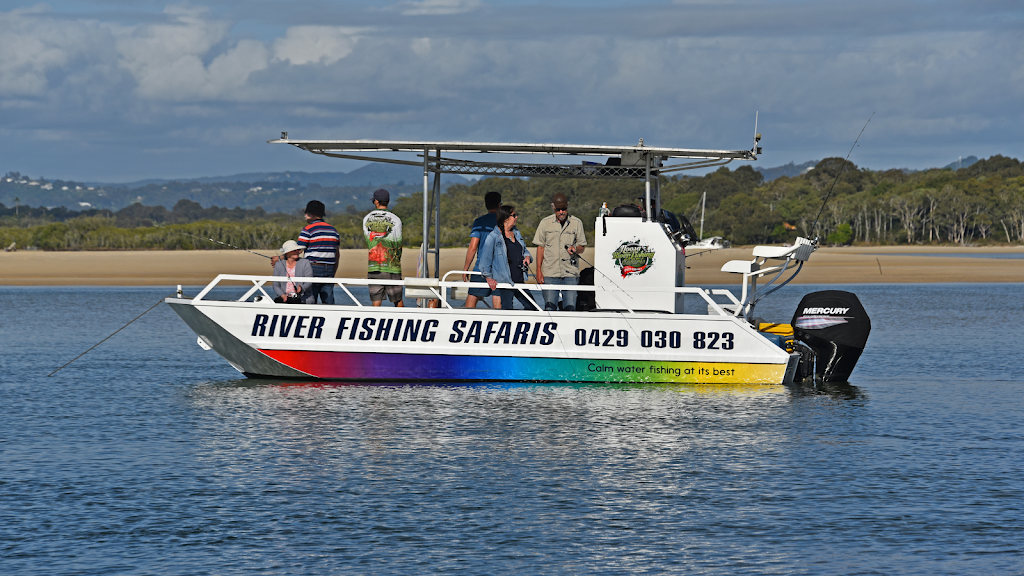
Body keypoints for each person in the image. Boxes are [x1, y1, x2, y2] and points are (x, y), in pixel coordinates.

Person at [533, 192, 587, 311]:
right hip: (550, 274)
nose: (561, 212)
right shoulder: (544, 223)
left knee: (570, 309)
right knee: (550, 309)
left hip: (570, 274)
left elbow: (582, 246)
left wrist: (576, 249)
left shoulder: (577, 223)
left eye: (564, 209)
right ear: (553, 207)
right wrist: (538, 271)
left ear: (568, 206)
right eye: (558, 209)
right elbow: (540, 247)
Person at [479, 204, 536, 311]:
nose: (516, 217)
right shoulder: (493, 236)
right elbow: (484, 260)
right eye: (514, 215)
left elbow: (524, 251)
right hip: (505, 281)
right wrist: (488, 277)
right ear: (505, 219)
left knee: (533, 307)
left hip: (519, 280)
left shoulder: (517, 233)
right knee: (507, 309)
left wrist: (527, 257)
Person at [363, 188, 404, 307]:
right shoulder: (396, 219)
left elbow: (368, 239)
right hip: (392, 265)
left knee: (376, 300)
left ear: (376, 201)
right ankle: (401, 323)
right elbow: (398, 243)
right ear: (388, 201)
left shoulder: (367, 218)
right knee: (397, 299)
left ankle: (374, 323)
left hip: (374, 265)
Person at [463, 191, 502, 308]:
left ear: (486, 205)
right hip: (500, 269)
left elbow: (473, 247)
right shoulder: (505, 222)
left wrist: (466, 269)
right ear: (500, 204)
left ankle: (466, 322)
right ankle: (498, 325)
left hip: (480, 268)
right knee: (497, 300)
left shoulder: (479, 222)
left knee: (472, 297)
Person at [297, 200, 340, 304]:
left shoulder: (308, 229)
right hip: (329, 267)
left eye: (306, 213)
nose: (304, 215)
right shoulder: (333, 230)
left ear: (312, 214)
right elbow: (337, 254)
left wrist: (280, 258)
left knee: (309, 299)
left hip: (312, 267)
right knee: (328, 301)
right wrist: (333, 270)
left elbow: (297, 251)